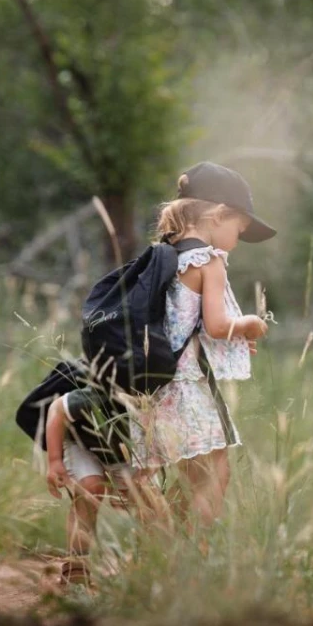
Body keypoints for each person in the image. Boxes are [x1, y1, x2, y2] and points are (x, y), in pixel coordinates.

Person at [129, 161, 276, 529]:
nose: (237, 240)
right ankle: (194, 554)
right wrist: (251, 324)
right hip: (188, 394)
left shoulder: (158, 257)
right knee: (213, 476)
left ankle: (158, 555)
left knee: (169, 480)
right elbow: (216, 324)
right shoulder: (209, 261)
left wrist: (233, 339)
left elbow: (178, 325)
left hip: (149, 391)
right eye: (238, 229)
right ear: (218, 215)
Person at [43, 382, 168, 584]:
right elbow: (57, 409)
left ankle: (150, 561)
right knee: (89, 490)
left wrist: (150, 468)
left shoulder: (161, 400)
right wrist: (54, 461)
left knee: (148, 498)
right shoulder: (99, 394)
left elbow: (167, 439)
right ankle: (76, 568)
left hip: (128, 454)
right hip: (84, 445)